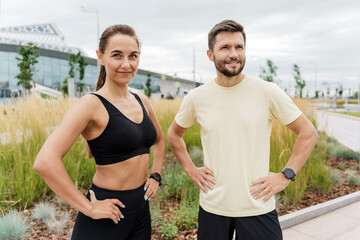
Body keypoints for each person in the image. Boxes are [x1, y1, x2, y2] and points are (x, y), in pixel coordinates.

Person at [167, 20, 318, 240]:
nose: (233, 53)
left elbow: (308, 133)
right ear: (210, 55)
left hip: (258, 206)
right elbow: (173, 134)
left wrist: (286, 175)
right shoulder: (197, 98)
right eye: (225, 48)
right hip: (213, 207)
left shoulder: (267, 91)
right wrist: (190, 169)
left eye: (239, 47)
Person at [34, 24, 166, 240]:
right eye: (117, 55)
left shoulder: (141, 100)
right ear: (101, 57)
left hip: (141, 210)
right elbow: (45, 162)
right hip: (105, 217)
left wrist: (156, 174)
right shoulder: (91, 104)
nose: (126, 64)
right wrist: (89, 208)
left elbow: (160, 140)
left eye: (132, 56)